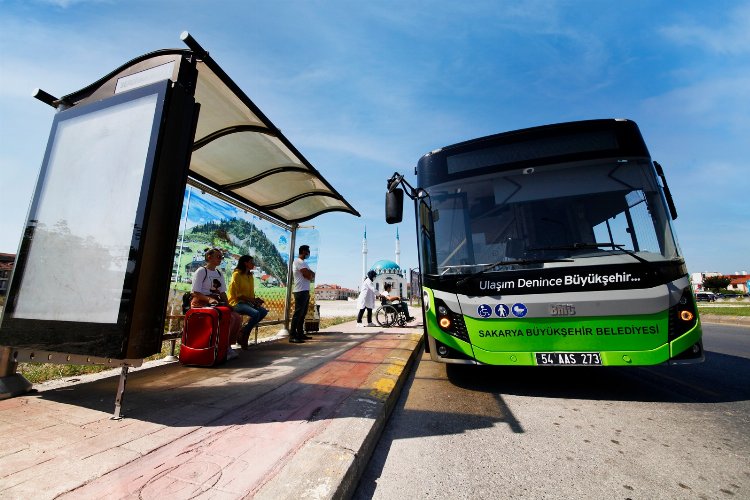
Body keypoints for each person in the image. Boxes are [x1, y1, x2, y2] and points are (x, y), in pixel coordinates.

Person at [190, 248, 242, 360]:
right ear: (209, 257)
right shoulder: (201, 271)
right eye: (218, 257)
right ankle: (221, 347)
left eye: (221, 257)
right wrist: (209, 299)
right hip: (201, 303)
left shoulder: (219, 273)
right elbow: (195, 292)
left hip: (214, 303)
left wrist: (228, 305)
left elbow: (222, 292)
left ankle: (226, 346)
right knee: (229, 319)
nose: (221, 259)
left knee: (236, 317)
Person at [227, 255, 269, 350]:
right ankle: (244, 334)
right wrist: (252, 300)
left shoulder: (250, 276)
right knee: (256, 313)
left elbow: (250, 293)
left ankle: (244, 331)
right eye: (251, 262)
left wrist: (255, 300)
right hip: (236, 303)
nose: (253, 264)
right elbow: (237, 294)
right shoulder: (236, 275)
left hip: (246, 302)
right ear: (245, 263)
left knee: (263, 311)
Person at [290, 244, 315, 343]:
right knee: (298, 314)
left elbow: (312, 274)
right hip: (300, 291)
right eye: (308, 251)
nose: (309, 253)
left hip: (305, 291)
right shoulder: (298, 262)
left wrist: (310, 274)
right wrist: (309, 274)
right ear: (304, 251)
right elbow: (309, 275)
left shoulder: (304, 263)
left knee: (302, 314)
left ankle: (300, 333)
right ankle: (292, 335)